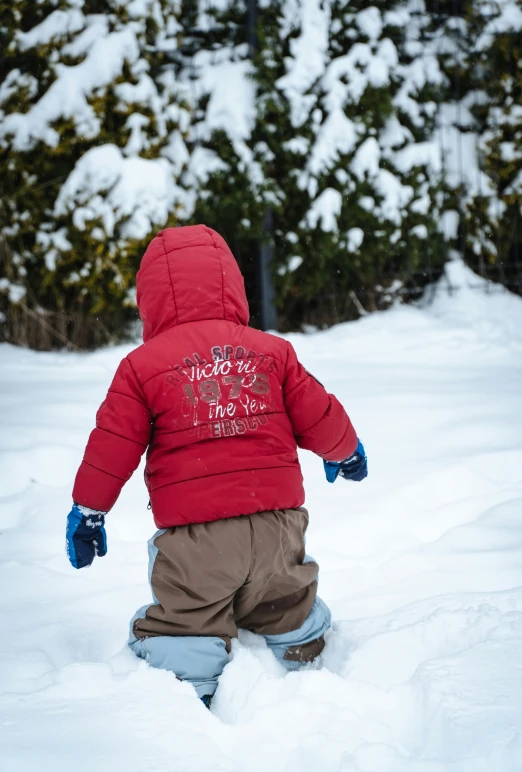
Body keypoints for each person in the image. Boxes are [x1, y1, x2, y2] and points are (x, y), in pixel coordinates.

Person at [67, 225, 367, 705]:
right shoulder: (272, 351)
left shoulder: (142, 367)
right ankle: (305, 652)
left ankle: (188, 688)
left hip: (197, 544)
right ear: (232, 286)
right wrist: (344, 449)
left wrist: (88, 510)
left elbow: (111, 446)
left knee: (187, 617)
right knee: (285, 597)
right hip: (277, 529)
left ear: (151, 300)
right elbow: (318, 411)